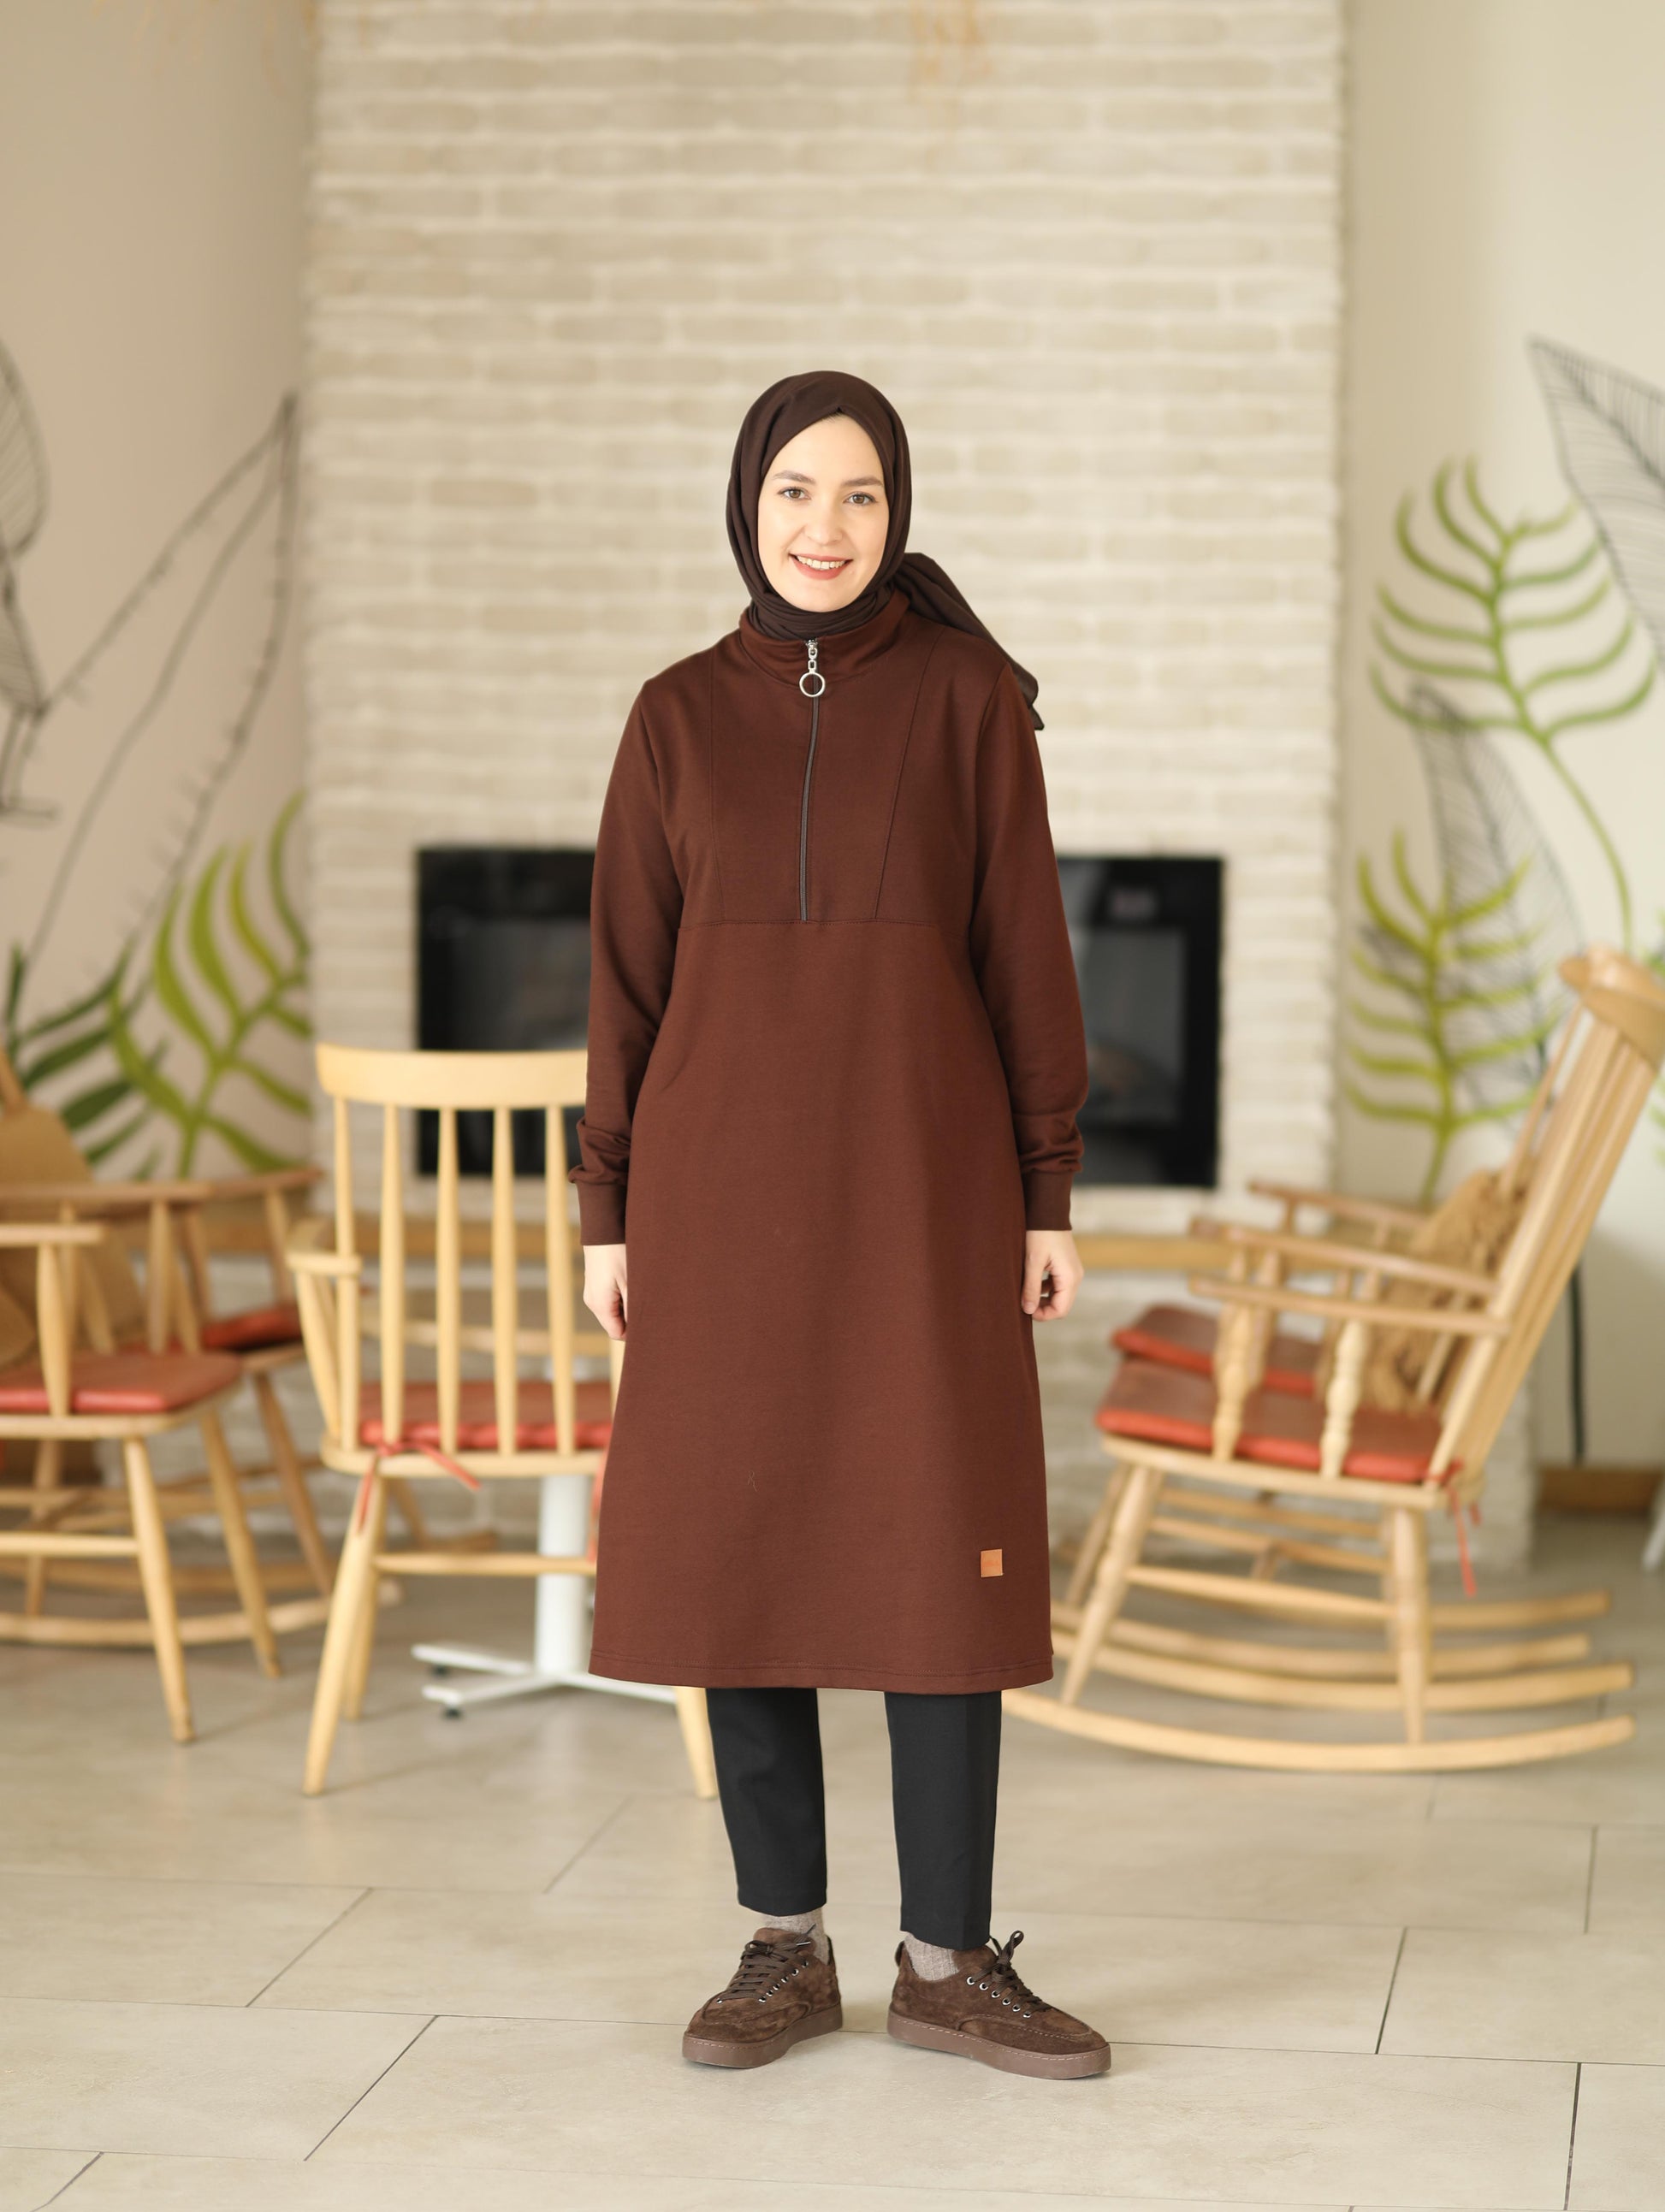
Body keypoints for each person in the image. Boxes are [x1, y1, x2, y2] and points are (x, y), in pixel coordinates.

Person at [572, 370, 1109, 2081]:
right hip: (713, 1200)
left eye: (860, 493)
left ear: (898, 510)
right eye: (796, 491)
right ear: (748, 506)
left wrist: (1044, 1186)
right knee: (740, 1547)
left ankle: (948, 1961)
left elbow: (1026, 951)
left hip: (926, 1195)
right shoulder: (672, 716)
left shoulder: (967, 699)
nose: (827, 525)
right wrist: (606, 1210)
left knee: (939, 1549)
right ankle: (781, 1945)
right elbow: (625, 981)